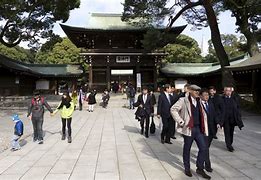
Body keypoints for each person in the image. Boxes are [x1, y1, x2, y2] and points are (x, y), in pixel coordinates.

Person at [171, 84, 211, 179]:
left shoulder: (200, 101)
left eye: (198, 90)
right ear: (189, 90)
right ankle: (187, 168)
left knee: (204, 148)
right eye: (195, 90)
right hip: (189, 128)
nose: (197, 92)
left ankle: (200, 168)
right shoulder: (183, 100)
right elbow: (173, 109)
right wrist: (180, 121)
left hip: (199, 129)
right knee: (187, 149)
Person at [200, 88, 219, 173]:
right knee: (205, 148)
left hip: (212, 130)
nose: (206, 96)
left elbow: (215, 115)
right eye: (204, 95)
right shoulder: (198, 104)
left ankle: (201, 158)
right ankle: (207, 165)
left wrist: (218, 123)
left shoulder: (210, 104)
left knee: (206, 147)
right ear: (200, 96)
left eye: (207, 95)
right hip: (203, 130)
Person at [221, 87, 244, 152]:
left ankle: (230, 143)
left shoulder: (234, 98)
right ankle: (229, 146)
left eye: (230, 91)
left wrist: (239, 115)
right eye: (227, 91)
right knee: (227, 132)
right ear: (224, 92)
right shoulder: (221, 99)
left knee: (231, 132)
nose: (228, 92)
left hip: (233, 119)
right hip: (225, 119)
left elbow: (238, 102)